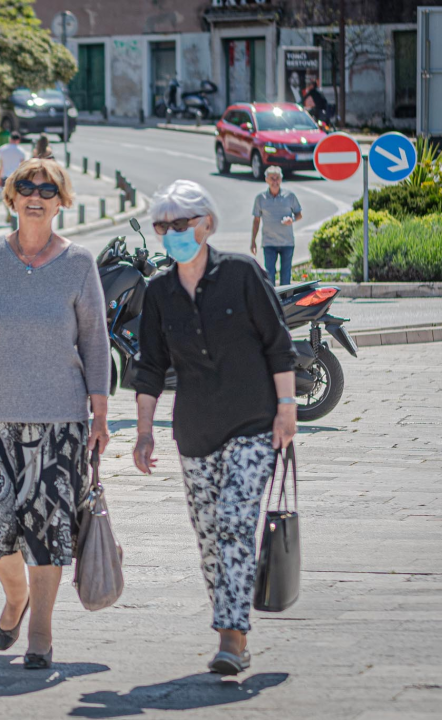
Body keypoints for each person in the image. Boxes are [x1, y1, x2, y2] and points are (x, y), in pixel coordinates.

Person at [0, 158, 110, 671]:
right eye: (25, 185)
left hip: (59, 422)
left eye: (47, 187)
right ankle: (15, 596)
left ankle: (41, 631)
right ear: (11, 197)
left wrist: (100, 416)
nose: (36, 194)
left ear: (61, 200)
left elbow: (95, 343)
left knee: (48, 530)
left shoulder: (79, 264)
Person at [131, 179, 298, 677]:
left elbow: (278, 342)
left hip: (252, 422)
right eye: (163, 226)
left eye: (181, 224)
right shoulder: (159, 293)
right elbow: (149, 367)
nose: (172, 234)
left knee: (233, 524)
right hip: (196, 431)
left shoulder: (242, 274)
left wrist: (286, 409)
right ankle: (228, 621)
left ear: (206, 223)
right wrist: (144, 431)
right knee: (208, 537)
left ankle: (233, 636)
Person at [250, 165, 303, 285]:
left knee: (286, 276)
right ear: (266, 180)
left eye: (277, 178)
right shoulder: (260, 199)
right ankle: (271, 302)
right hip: (269, 243)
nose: (275, 181)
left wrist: (292, 219)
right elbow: (256, 220)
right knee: (269, 276)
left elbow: (299, 214)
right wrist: (253, 241)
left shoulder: (289, 196)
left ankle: (285, 302)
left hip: (287, 243)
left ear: (281, 179)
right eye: (272, 178)